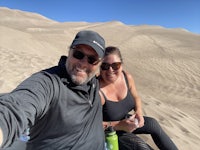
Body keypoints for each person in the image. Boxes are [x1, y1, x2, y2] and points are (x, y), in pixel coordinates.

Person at [0, 30, 106, 150]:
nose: (83, 64)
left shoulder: (94, 82)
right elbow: (15, 108)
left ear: (99, 65)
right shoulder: (49, 82)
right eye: (78, 54)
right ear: (69, 52)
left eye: (92, 60)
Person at [99, 46, 178, 150]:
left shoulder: (126, 77)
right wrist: (119, 125)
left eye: (115, 65)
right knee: (140, 146)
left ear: (121, 65)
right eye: (105, 66)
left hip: (126, 121)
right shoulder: (97, 91)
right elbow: (91, 125)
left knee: (153, 124)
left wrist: (139, 113)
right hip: (109, 132)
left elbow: (136, 97)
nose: (110, 70)